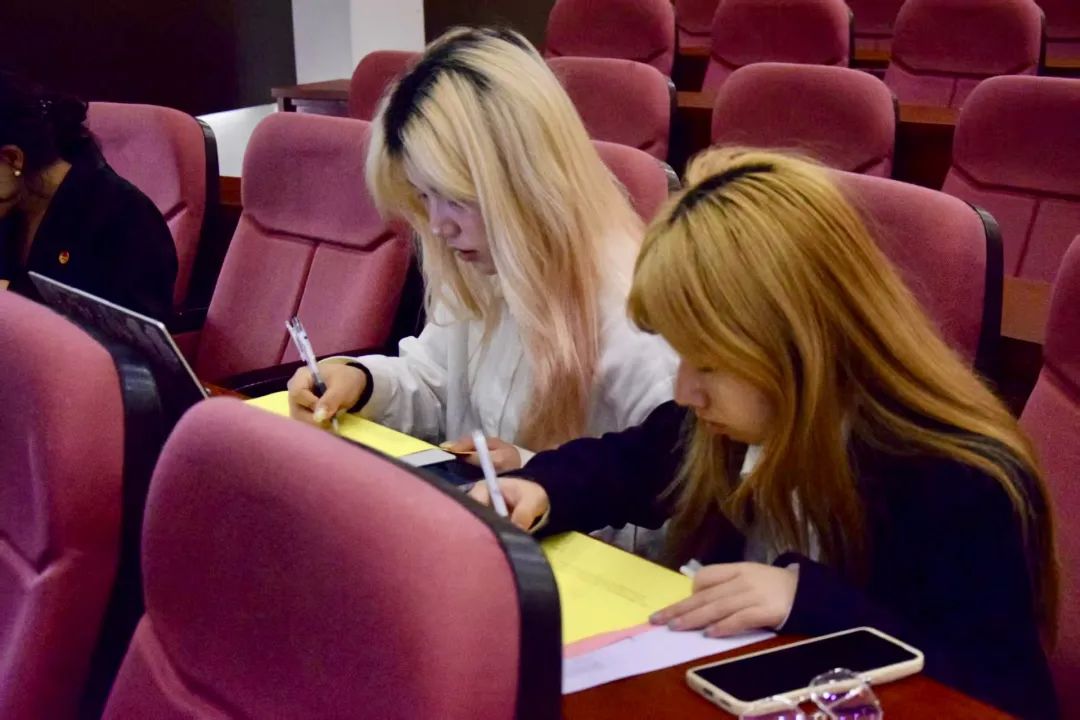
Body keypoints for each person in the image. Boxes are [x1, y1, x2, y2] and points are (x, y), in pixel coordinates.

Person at [470, 149, 1060, 718]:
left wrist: (808, 602)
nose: (685, 391)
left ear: (801, 344)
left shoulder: (958, 480)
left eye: (709, 364)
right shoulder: (736, 421)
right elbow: (629, 465)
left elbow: (997, 694)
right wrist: (543, 487)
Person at [287, 27, 676, 473]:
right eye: (424, 196)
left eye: (456, 198)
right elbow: (435, 385)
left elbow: (674, 492)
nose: (438, 226)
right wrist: (363, 381)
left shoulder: (635, 314)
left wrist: (538, 475)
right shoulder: (480, 261)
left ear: (525, 180)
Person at [0, 71, 177, 322]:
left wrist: (16, 301)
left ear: (12, 159)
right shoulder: (12, 208)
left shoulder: (123, 216)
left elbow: (132, 339)